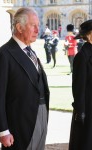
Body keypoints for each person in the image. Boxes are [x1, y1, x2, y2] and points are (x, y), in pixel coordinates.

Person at [0, 7, 50, 150]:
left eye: (38, 25)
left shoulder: (32, 52)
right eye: (33, 25)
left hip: (40, 114)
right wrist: (3, 130)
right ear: (19, 27)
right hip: (20, 122)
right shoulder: (3, 55)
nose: (37, 30)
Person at [69, 19, 92, 150]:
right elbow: (78, 88)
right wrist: (81, 111)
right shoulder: (82, 57)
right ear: (89, 35)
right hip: (88, 108)